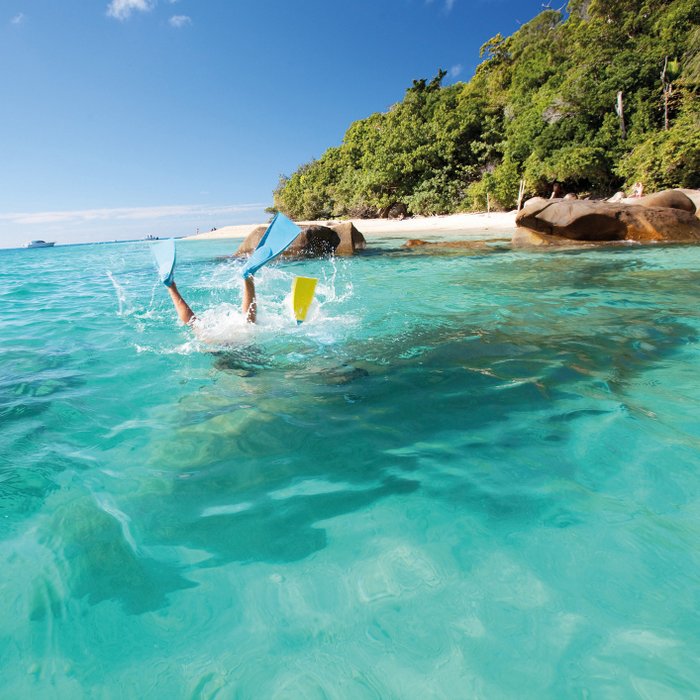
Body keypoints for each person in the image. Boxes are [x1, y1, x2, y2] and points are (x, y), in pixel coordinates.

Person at [166, 275, 257, 325]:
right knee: (194, 325)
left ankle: (248, 279)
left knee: (248, 323)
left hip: (226, 347)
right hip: (220, 346)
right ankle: (171, 287)